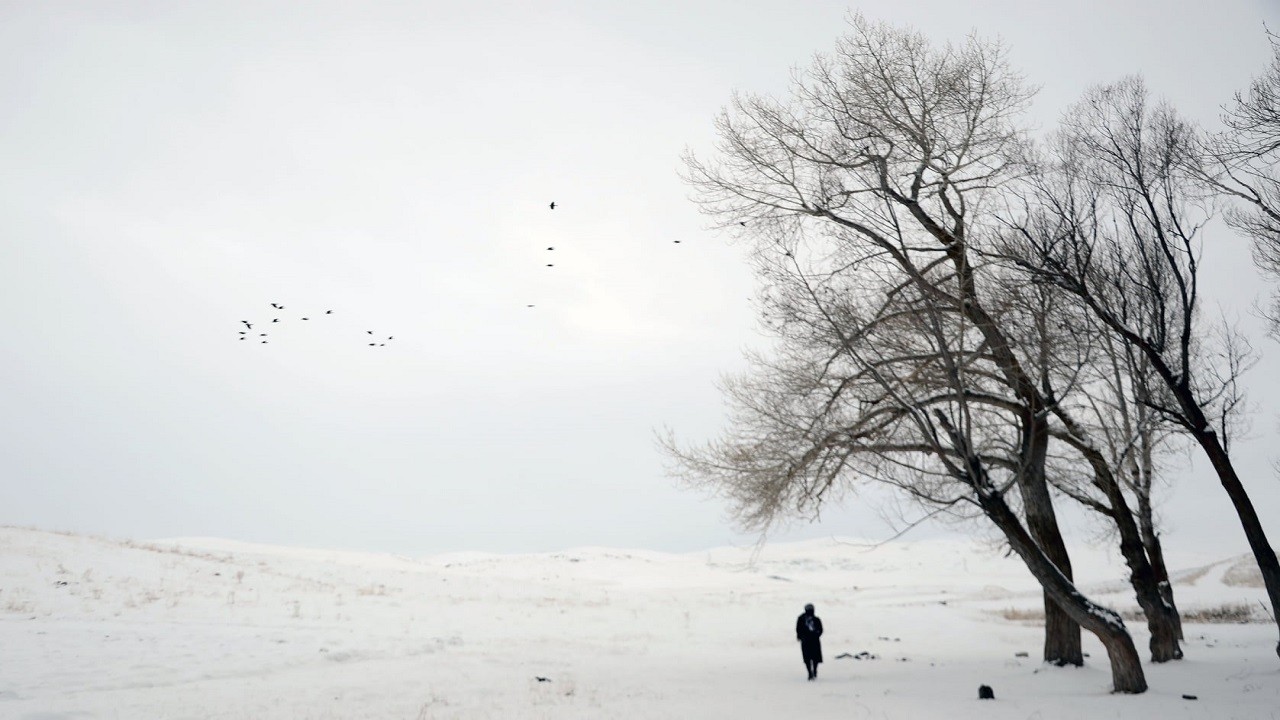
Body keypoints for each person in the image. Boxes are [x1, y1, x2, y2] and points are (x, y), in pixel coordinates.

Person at [796, 603, 823, 680]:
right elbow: (798, 629)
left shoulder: (816, 619)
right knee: (807, 658)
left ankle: (814, 671)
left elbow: (820, 629)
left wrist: (817, 634)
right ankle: (810, 673)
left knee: (815, 658)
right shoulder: (801, 619)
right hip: (806, 641)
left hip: (814, 640)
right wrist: (801, 636)